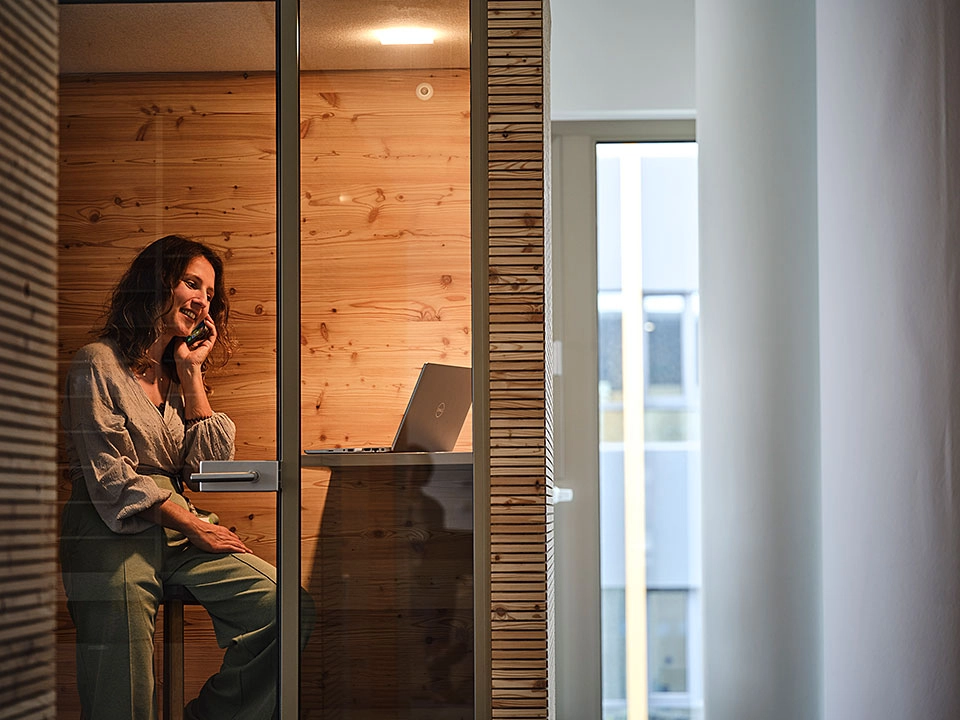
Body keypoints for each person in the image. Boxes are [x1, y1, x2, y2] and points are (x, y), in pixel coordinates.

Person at [60, 235, 308, 720]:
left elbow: (206, 472)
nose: (201, 300)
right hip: (109, 529)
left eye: (210, 294)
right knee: (122, 681)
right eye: (191, 283)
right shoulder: (97, 363)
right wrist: (194, 525)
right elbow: (110, 478)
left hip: (177, 528)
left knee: (288, 608)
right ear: (156, 283)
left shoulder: (177, 376)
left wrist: (192, 374)